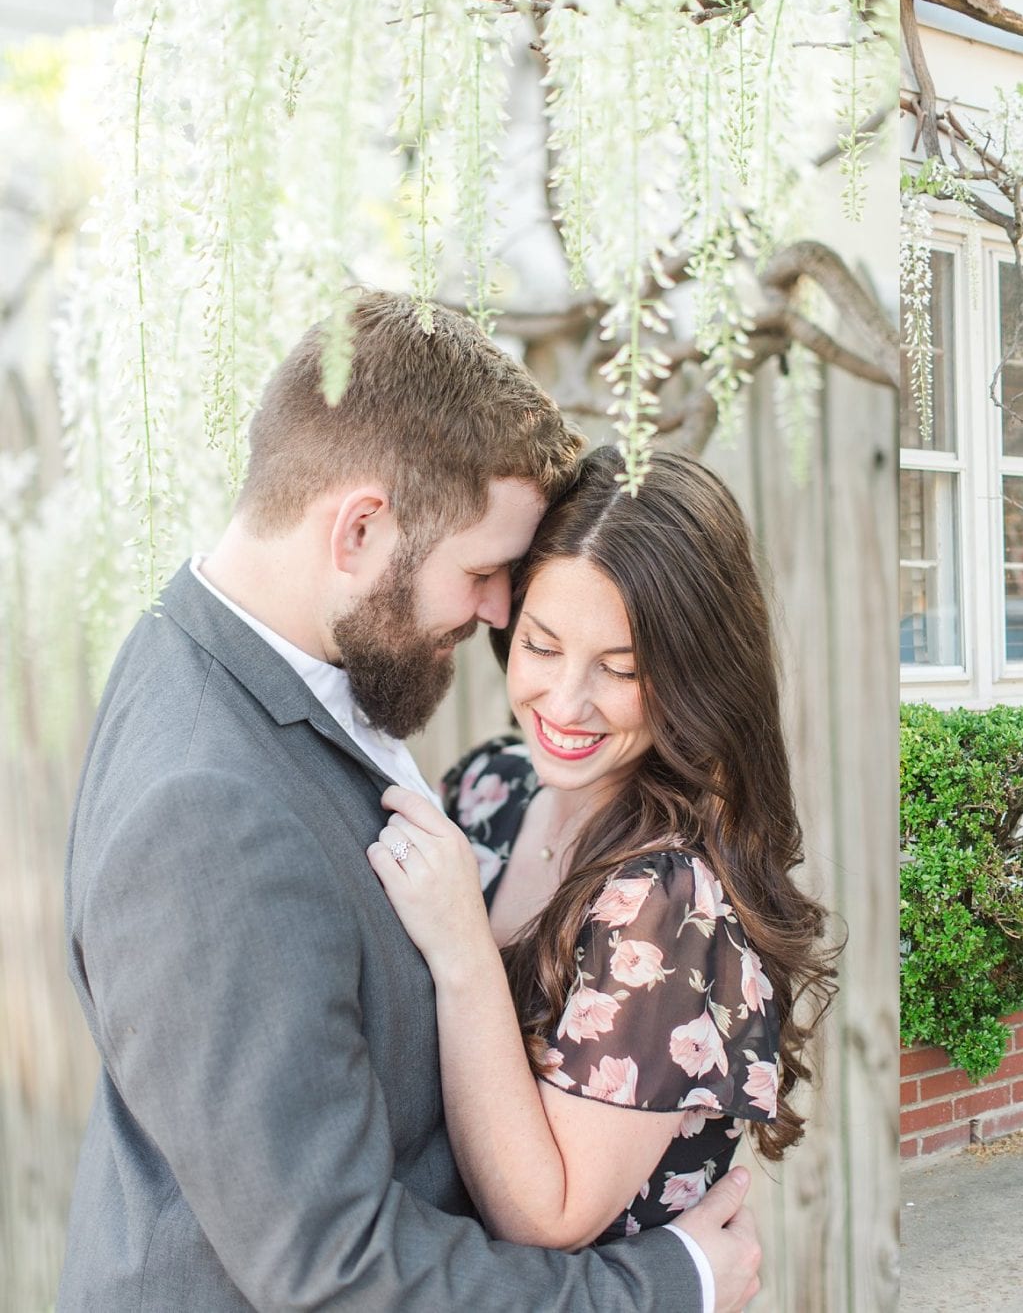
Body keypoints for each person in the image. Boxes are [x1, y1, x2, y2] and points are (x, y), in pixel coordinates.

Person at [59, 291, 760, 1311]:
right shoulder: (206, 809)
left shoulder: (225, 662)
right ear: (359, 530)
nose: (497, 611)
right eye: (482, 572)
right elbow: (335, 1271)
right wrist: (665, 1286)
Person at [363, 446, 835, 1250]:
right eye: (542, 647)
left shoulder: (670, 902)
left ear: (695, 677)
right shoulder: (492, 788)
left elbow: (547, 1216)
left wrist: (463, 949)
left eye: (619, 669)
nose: (565, 703)